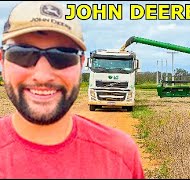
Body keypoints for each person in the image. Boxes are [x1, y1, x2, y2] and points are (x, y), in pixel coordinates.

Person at [0, 1, 145, 178]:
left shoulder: (121, 156)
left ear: (81, 64)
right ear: (2, 61)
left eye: (62, 56)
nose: (43, 75)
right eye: (22, 53)